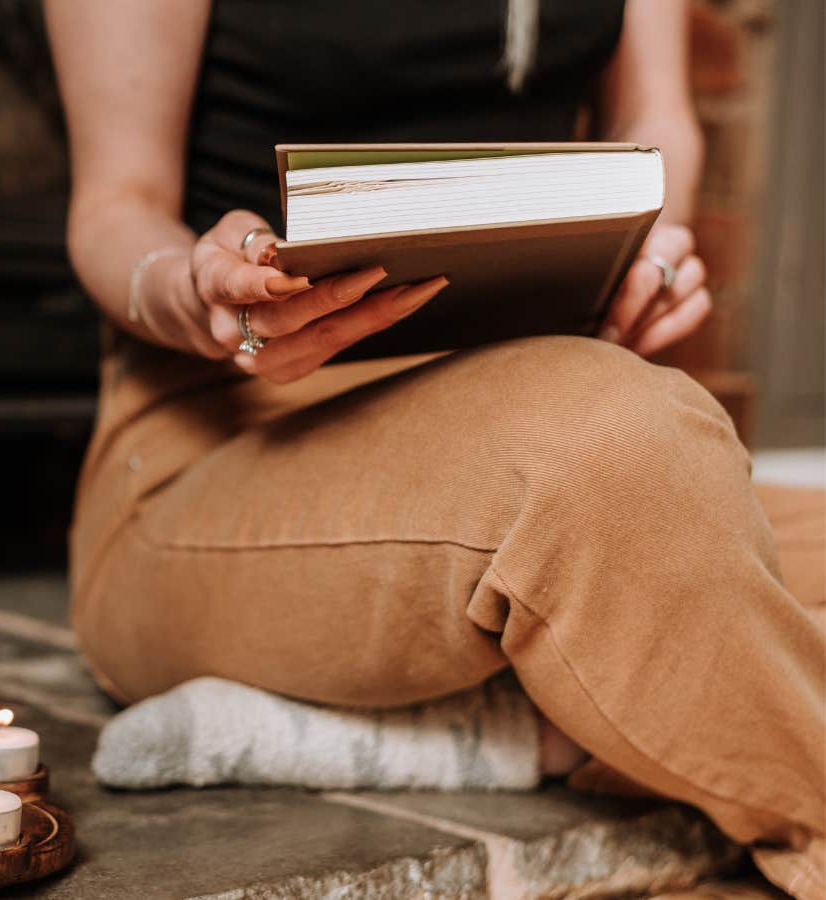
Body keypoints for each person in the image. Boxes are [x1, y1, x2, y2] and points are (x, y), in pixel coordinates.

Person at [44, 1, 824, 896]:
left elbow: (657, 124)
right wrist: (198, 290)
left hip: (518, 394)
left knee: (639, 476)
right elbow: (114, 209)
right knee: (610, 442)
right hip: (224, 444)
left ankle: (496, 728)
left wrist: (654, 255)